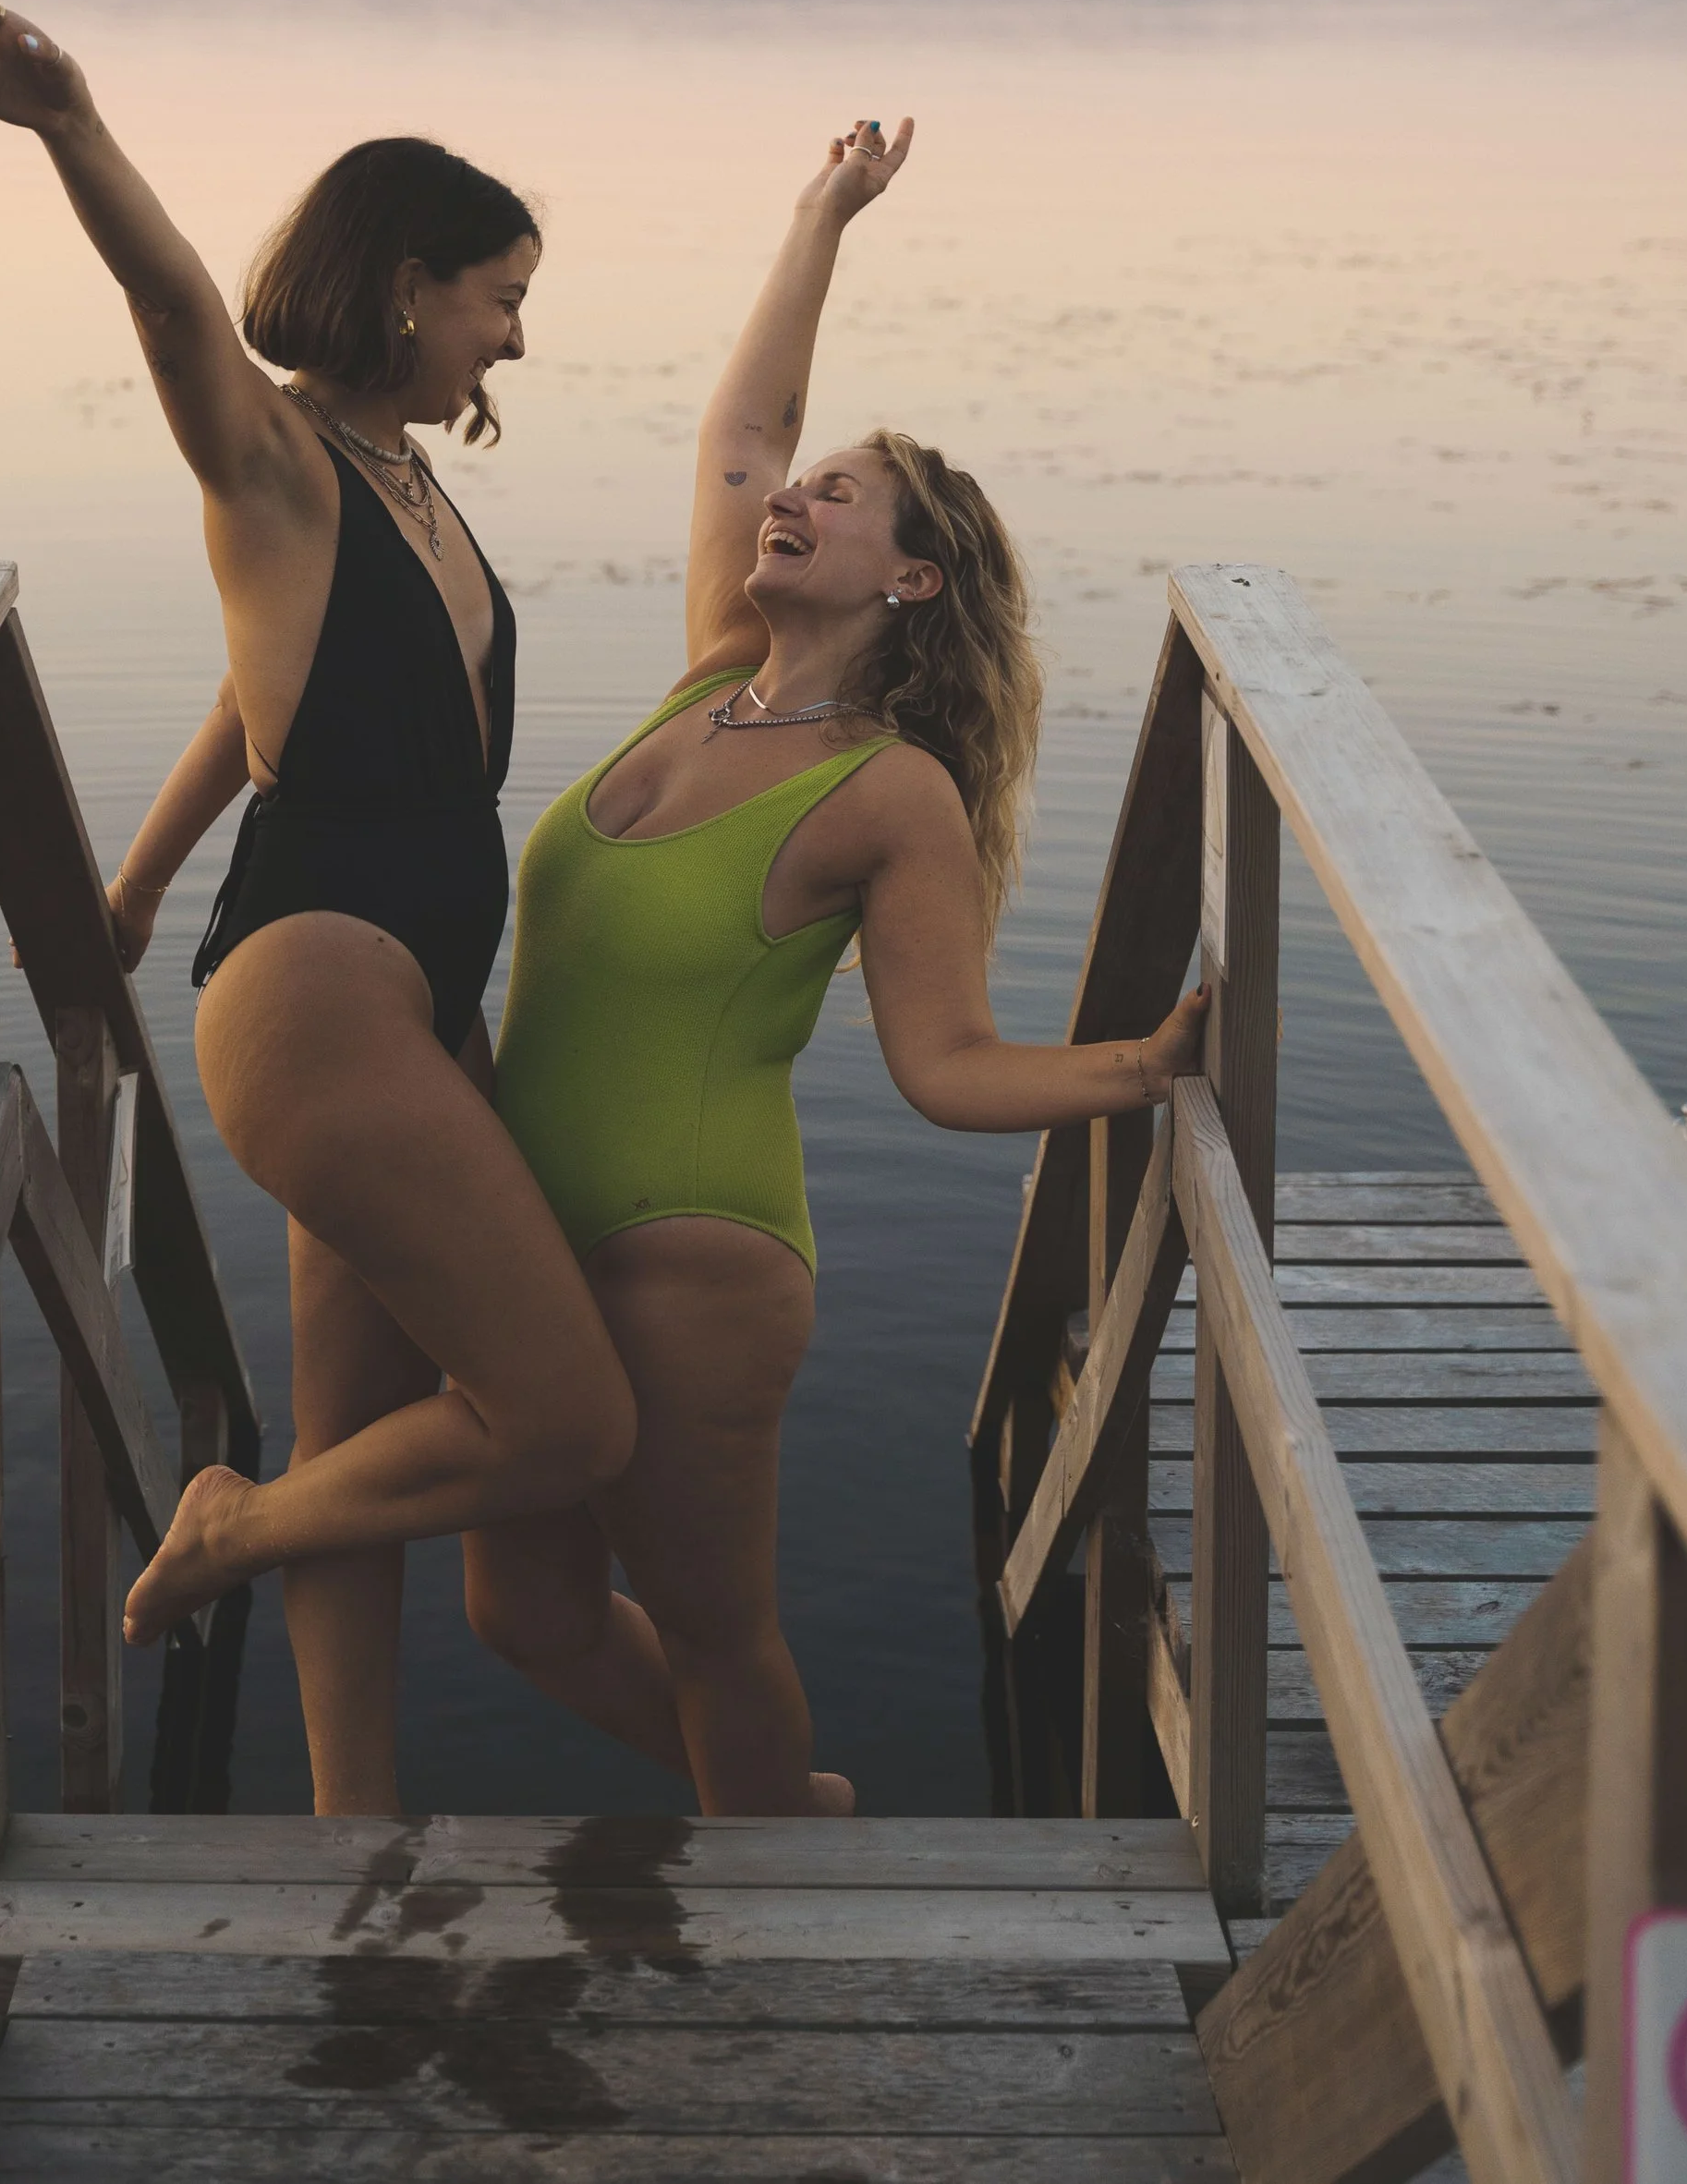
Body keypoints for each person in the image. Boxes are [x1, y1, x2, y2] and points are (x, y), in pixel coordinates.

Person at [0, 0, 635, 1812]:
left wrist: (137, 882)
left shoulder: (402, 484)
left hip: (406, 1002)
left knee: (367, 1448)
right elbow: (171, 311)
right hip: (323, 998)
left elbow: (256, 706)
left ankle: (347, 1835)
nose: (518, 336)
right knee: (561, 1418)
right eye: (499, 296)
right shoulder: (278, 458)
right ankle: (226, 1527)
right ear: (406, 284)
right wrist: (74, 129)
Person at [461, 118, 1208, 1815]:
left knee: (720, 1630)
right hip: (520, 1223)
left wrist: (1147, 1063)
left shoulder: (888, 791)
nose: (788, 500)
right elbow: (743, 427)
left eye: (836, 500)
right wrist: (820, 217)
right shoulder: (710, 678)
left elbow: (945, 1066)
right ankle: (788, 1809)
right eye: (800, 492)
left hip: (694, 1252)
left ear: (911, 576)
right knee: (523, 1611)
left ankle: (775, 1897)